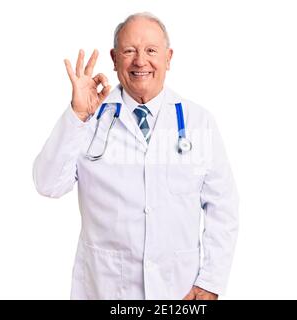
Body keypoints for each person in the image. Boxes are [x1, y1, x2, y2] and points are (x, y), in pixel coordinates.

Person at [33, 12, 239, 300]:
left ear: (168, 58)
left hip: (179, 290)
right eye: (129, 51)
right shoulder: (89, 118)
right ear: (115, 59)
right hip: (104, 288)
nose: (141, 61)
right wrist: (77, 114)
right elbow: (48, 184)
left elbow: (223, 208)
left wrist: (211, 281)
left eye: (151, 51)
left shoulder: (198, 121)